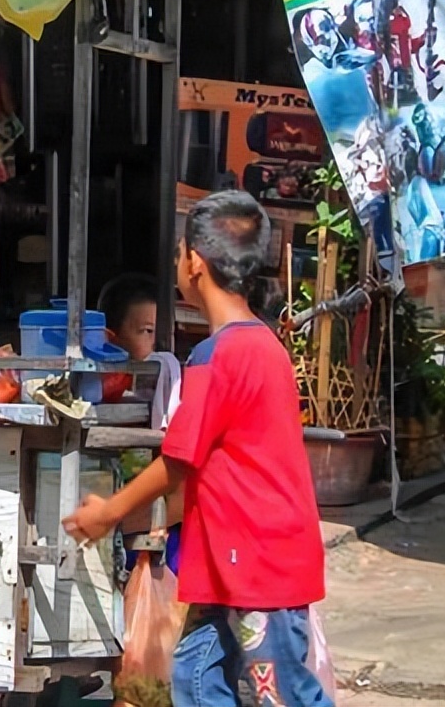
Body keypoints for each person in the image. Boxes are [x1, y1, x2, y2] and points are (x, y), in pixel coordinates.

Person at [64, 190, 329, 707]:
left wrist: (110, 513)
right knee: (197, 679)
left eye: (180, 254)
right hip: (235, 566)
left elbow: (181, 459)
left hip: (255, 568)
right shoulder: (264, 346)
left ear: (195, 263)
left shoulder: (218, 356)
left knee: (282, 697)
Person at [97, 273, 185, 573]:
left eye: (161, 333)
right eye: (146, 331)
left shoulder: (173, 398)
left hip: (157, 531)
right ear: (111, 338)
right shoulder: (96, 401)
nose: (157, 345)